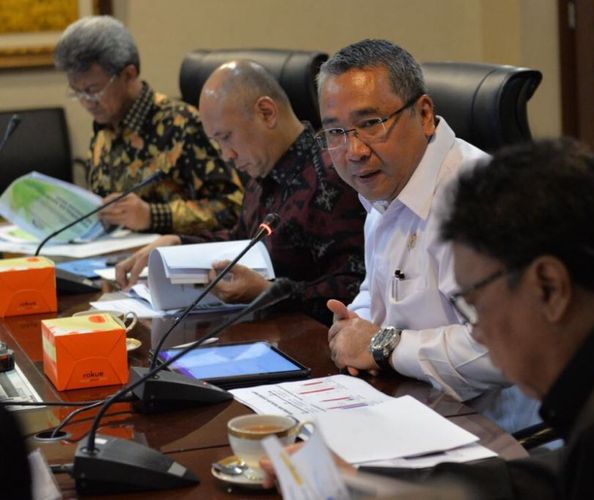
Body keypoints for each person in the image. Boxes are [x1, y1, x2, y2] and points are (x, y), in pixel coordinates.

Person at [264, 138, 594, 499]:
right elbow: (549, 481)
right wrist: (359, 482)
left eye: (477, 298)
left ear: (549, 287)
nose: (477, 330)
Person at [320, 39, 538, 432]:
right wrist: (353, 325)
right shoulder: (387, 188)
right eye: (336, 131)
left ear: (423, 114)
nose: (352, 150)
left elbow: (502, 349)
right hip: (411, 407)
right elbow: (380, 289)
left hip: (495, 438)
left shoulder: (476, 202)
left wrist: (380, 346)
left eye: (370, 124)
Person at [116, 60, 366, 324]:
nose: (227, 155)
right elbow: (241, 240)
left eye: (226, 137)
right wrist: (177, 242)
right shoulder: (261, 171)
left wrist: (270, 293)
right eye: (218, 142)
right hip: (260, 330)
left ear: (267, 113)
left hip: (313, 344)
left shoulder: (332, 174)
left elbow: (356, 287)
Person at [54, 16, 243, 234]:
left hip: (177, 258)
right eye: (77, 91)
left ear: (128, 74)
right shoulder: (105, 125)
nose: (86, 102)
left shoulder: (182, 125)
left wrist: (153, 216)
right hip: (112, 255)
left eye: (93, 90)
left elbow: (233, 208)